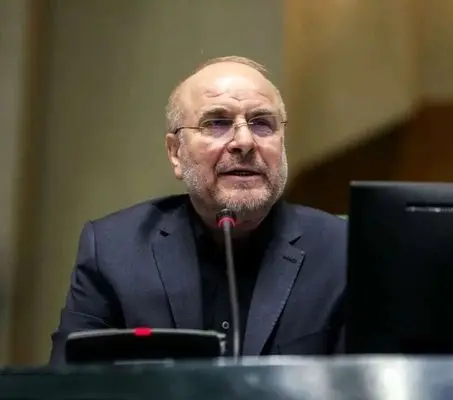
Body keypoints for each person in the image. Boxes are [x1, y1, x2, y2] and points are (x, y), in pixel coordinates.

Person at [49, 56, 347, 364]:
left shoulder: (344, 251)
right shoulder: (113, 250)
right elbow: (68, 382)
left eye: (261, 123)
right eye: (217, 123)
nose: (244, 142)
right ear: (175, 152)